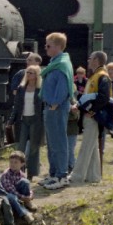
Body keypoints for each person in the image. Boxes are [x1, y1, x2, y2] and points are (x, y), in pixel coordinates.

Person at [38, 32, 74, 189]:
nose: (45, 48)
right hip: (50, 107)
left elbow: (63, 87)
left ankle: (61, 175)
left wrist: (55, 103)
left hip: (56, 108)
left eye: (48, 45)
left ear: (58, 46)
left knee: (59, 141)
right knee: (51, 143)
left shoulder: (62, 64)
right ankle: (53, 174)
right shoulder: (55, 62)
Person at [69, 51, 110, 186]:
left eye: (90, 58)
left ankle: (77, 175)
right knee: (91, 147)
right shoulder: (96, 76)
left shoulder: (102, 76)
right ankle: (93, 176)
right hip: (91, 114)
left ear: (97, 60)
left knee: (86, 145)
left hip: (93, 116)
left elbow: (104, 97)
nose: (88, 61)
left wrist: (92, 110)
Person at [15, 66, 44, 180]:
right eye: (27, 72)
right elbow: (16, 106)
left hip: (35, 120)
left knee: (33, 147)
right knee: (20, 146)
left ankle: (31, 173)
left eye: (31, 73)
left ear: (36, 75)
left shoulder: (40, 89)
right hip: (23, 119)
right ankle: (19, 171)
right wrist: (11, 120)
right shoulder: (21, 88)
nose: (28, 74)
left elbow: (42, 107)